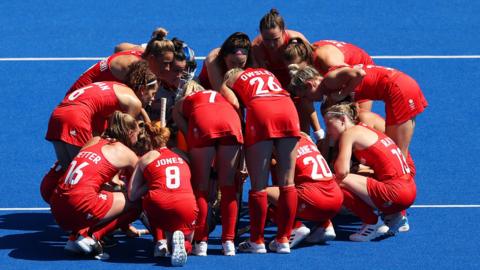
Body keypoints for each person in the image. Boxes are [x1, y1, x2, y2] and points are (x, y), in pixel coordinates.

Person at [41, 61, 157, 204]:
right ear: (143, 89)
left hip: (58, 114)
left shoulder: (116, 86)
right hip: (76, 118)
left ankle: (63, 206)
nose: (153, 98)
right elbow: (125, 139)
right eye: (153, 93)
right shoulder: (133, 102)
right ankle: (94, 210)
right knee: (88, 172)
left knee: (69, 172)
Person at [289, 64, 428, 176]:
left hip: (399, 90)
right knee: (395, 152)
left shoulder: (330, 81)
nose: (309, 101)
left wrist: (343, 93)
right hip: (397, 86)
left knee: (398, 154)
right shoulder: (330, 90)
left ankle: (399, 203)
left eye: (306, 96)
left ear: (310, 85)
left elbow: (360, 74)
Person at [221, 67, 300, 254]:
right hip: (287, 107)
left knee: (259, 184)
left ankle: (257, 240)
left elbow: (233, 105)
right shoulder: (266, 72)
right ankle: (283, 240)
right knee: (288, 182)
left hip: (261, 110)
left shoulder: (230, 81)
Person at [49, 111, 143, 259]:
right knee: (137, 202)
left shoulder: (94, 140)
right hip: (79, 205)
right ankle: (90, 237)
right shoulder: (127, 154)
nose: (137, 140)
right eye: (137, 135)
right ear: (130, 133)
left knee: (98, 194)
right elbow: (136, 191)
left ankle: (74, 238)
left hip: (57, 207)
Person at [324, 103, 416, 241]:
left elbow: (342, 172)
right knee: (358, 176)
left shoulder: (349, 133)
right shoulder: (365, 129)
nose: (328, 131)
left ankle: (372, 223)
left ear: (342, 120)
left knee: (333, 181)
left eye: (329, 125)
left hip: (395, 192)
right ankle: (395, 215)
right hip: (409, 189)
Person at [173, 81, 243, 256]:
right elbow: (236, 107)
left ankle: (201, 241)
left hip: (204, 123)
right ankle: (229, 242)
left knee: (201, 187)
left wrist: (194, 140)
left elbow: (181, 123)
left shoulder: (185, 100)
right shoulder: (221, 97)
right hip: (230, 122)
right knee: (228, 186)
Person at [128, 121, 197, 267]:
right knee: (188, 240)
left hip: (159, 206)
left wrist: (150, 183)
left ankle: (160, 241)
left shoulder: (146, 158)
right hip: (186, 205)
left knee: (147, 199)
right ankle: (183, 244)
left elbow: (132, 194)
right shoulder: (181, 155)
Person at [266, 132, 343, 248]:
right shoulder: (305, 137)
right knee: (307, 183)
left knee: (262, 192)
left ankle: (295, 227)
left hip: (315, 200)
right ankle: (325, 225)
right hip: (336, 198)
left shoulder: (279, 143)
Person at [66, 28, 174, 95]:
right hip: (82, 99)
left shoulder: (141, 52)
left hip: (84, 90)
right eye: (165, 63)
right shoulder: (135, 69)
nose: (168, 68)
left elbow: (119, 47)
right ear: (152, 58)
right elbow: (135, 104)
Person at [283, 37, 375, 111]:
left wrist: (343, 94)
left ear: (307, 61)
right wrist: (318, 131)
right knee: (329, 111)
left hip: (361, 73)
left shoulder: (327, 60)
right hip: (347, 73)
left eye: (297, 70)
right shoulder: (301, 57)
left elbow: (356, 74)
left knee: (357, 117)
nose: (294, 73)